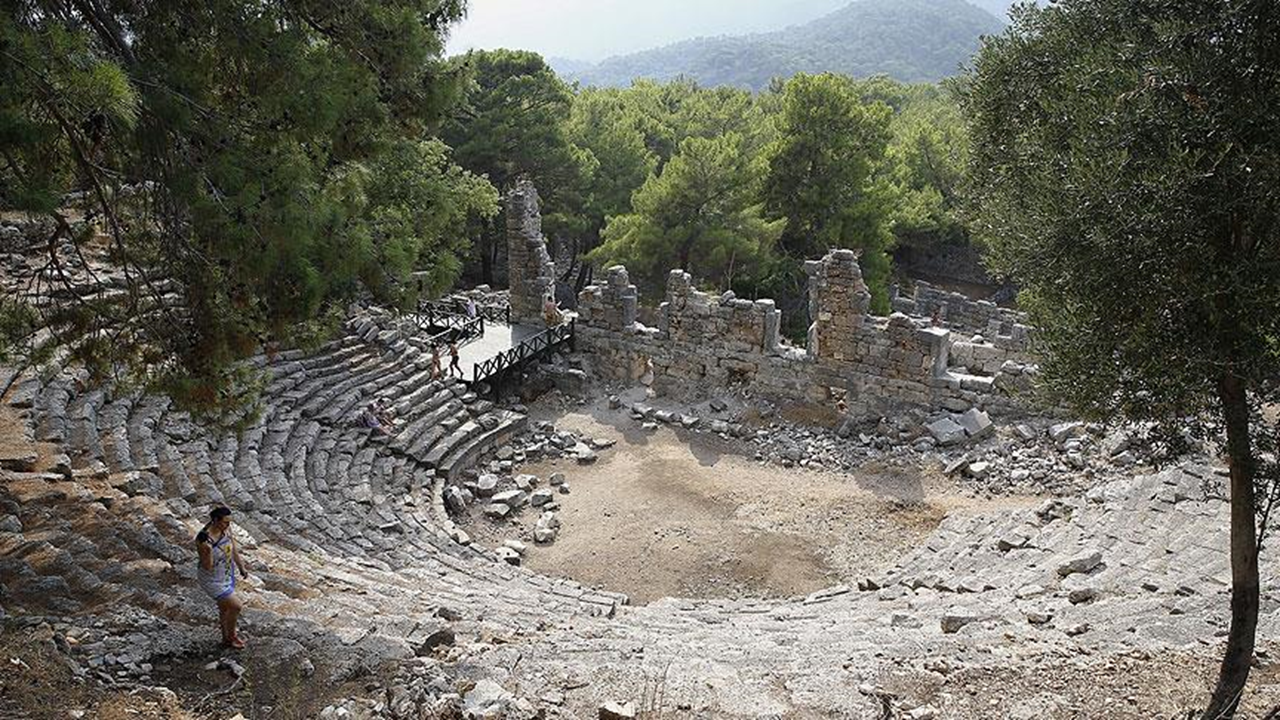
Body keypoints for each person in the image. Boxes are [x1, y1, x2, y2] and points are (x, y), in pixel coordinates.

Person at [196, 506, 249, 649]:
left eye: (229, 522)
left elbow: (233, 549)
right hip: (212, 579)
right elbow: (208, 566)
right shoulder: (204, 540)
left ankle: (225, 638)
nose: (228, 525)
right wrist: (207, 551)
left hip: (226, 573)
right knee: (236, 606)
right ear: (215, 521)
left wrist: (241, 567)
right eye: (225, 522)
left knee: (224, 609)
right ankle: (232, 637)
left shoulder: (225, 530)